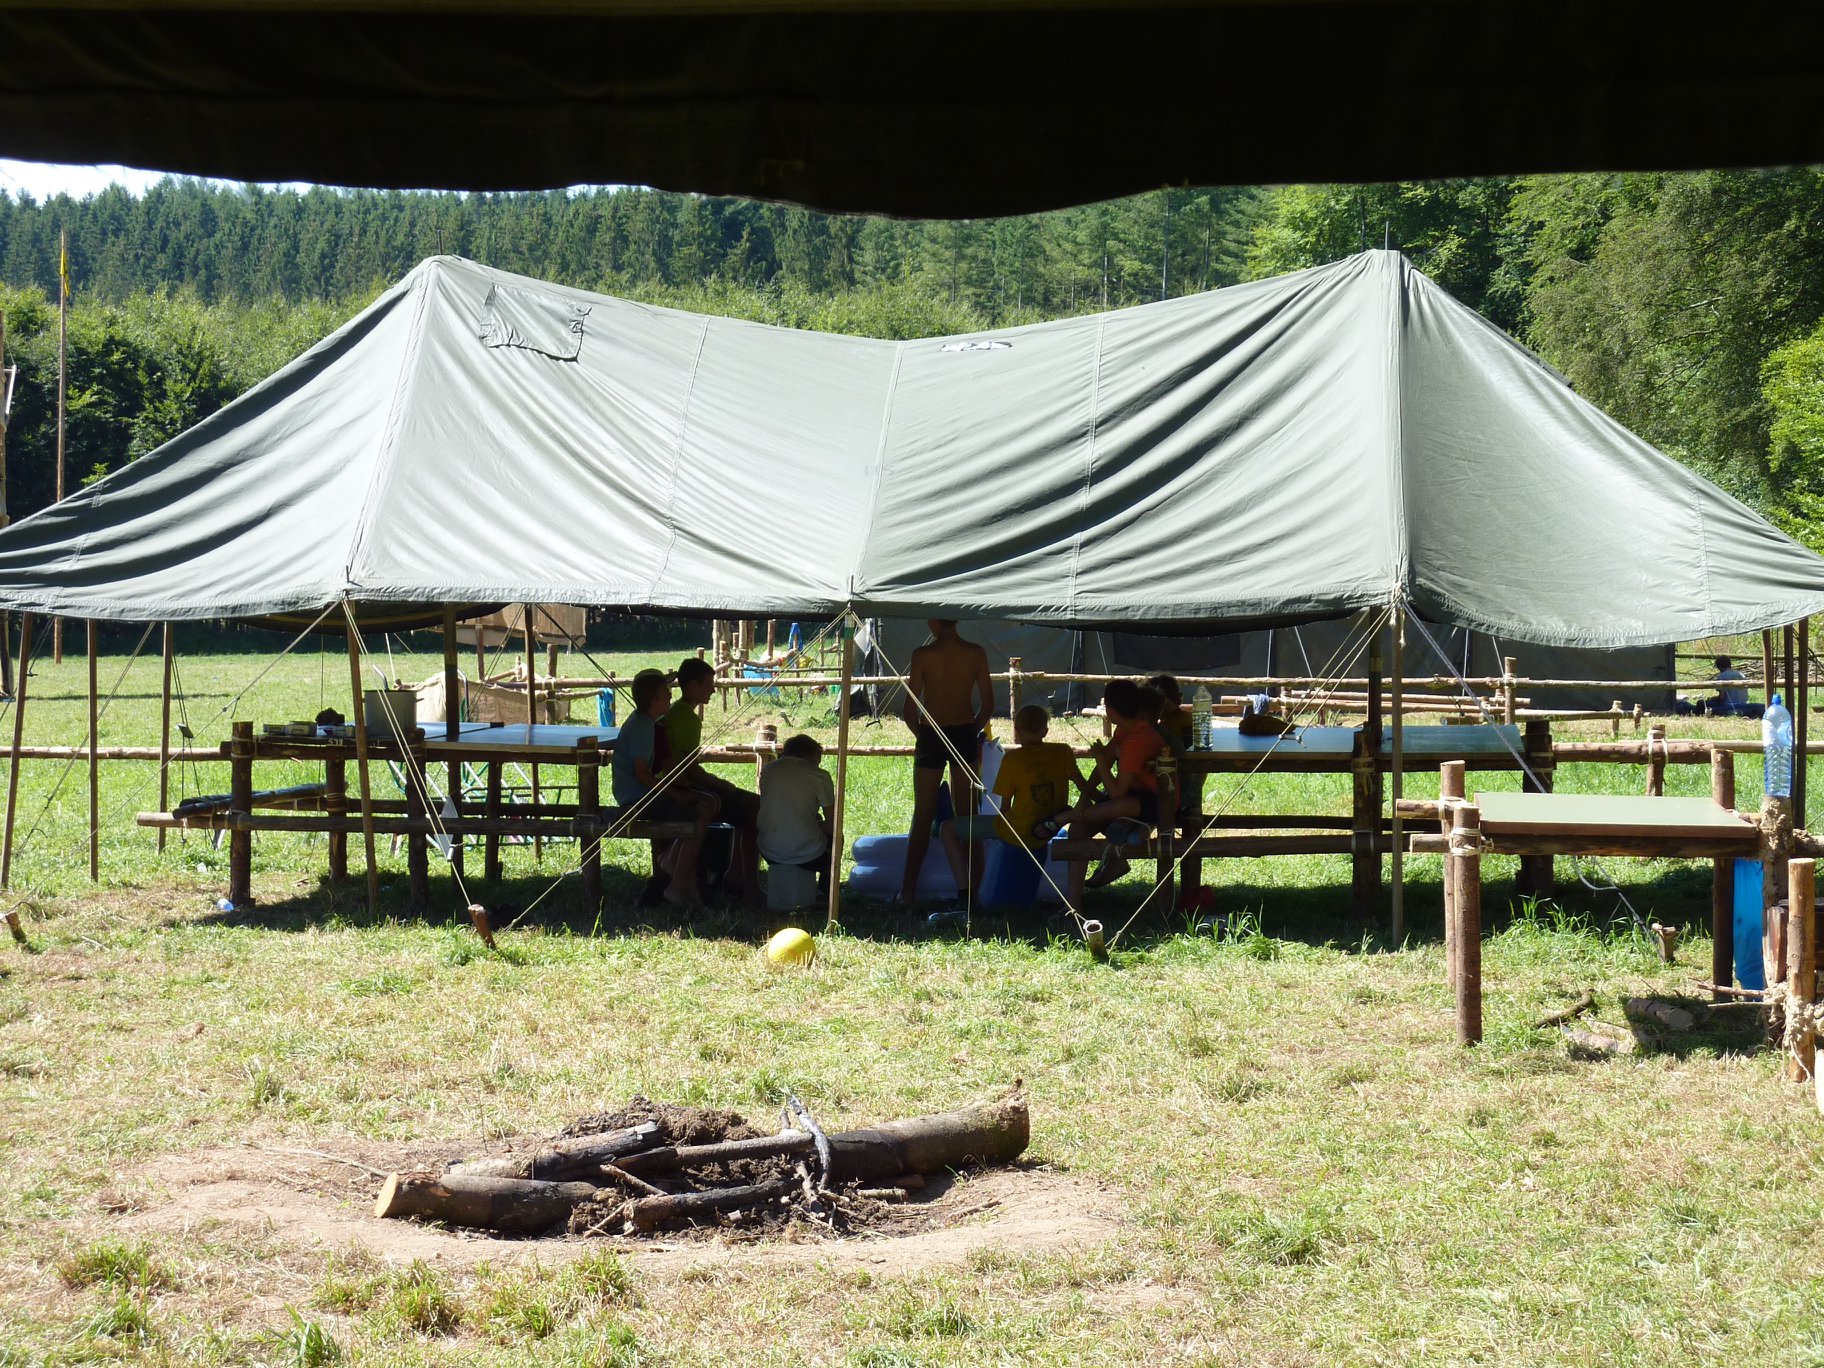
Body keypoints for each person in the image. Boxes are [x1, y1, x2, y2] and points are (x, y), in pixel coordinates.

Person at [937, 703, 1086, 900]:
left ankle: (964, 892)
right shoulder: (1063, 752)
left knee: (947, 829)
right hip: (1046, 828)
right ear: (1045, 731)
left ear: (1016, 731)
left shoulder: (1013, 758)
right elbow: (1083, 785)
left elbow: (1005, 808)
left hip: (1017, 829)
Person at [898, 619, 994, 905]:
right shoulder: (975, 652)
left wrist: (924, 736)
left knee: (923, 814)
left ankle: (908, 892)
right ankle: (975, 890)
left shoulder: (922, 655)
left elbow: (909, 709)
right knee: (967, 817)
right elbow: (987, 706)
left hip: (932, 733)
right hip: (963, 731)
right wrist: (971, 731)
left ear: (933, 622)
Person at [1054, 678, 1164, 912]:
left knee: (1115, 808)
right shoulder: (1124, 730)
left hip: (1154, 801)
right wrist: (1084, 796)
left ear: (1111, 711)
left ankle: (1065, 817)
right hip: (1130, 796)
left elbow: (1116, 792)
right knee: (1078, 832)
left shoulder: (1137, 740)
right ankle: (1073, 904)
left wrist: (1100, 760)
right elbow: (1106, 761)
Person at [611, 668, 717, 908]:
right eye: (666, 693)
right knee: (702, 806)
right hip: (637, 799)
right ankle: (676, 874)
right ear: (653, 700)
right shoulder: (643, 726)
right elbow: (641, 773)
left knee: (703, 804)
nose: (671, 696)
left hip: (641, 794)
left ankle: (678, 872)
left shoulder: (647, 723)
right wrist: (675, 793)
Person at [665, 656, 762, 904]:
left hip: (679, 784)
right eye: (708, 683)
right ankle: (745, 882)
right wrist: (721, 784)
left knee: (751, 806)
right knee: (756, 808)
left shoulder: (676, 713)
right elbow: (689, 770)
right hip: (682, 787)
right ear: (692, 686)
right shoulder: (686, 719)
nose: (713, 689)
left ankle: (736, 876)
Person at [757, 734, 837, 895]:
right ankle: (825, 891)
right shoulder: (819, 775)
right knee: (836, 838)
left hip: (769, 851)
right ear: (815, 754)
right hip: (808, 856)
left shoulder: (767, 771)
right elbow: (833, 823)